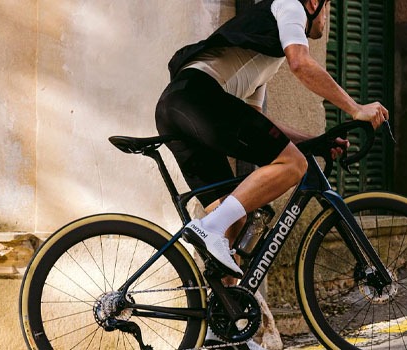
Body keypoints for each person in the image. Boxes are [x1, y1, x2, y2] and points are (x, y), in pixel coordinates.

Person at [157, 0, 387, 281]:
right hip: (199, 97)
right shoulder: (290, 5)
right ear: (313, 3)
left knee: (235, 220)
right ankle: (210, 227)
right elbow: (301, 63)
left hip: (176, 106)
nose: (327, 18)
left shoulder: (262, 51)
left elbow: (257, 125)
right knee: (294, 165)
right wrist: (356, 108)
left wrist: (314, 141)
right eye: (328, 8)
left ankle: (224, 312)